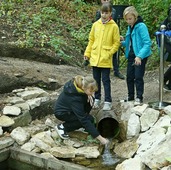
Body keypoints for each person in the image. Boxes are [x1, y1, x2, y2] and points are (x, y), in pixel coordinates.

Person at [84, 2, 120, 111]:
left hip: (105, 59)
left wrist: (109, 53)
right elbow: (91, 40)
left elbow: (116, 43)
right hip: (95, 58)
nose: (104, 15)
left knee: (106, 80)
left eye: (106, 13)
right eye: (102, 12)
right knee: (96, 80)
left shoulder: (114, 26)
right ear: (100, 12)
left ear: (110, 13)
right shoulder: (95, 25)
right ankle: (97, 99)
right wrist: (87, 54)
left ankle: (108, 101)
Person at [54, 75, 109, 145]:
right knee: (84, 121)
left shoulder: (80, 89)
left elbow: (85, 112)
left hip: (71, 110)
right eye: (91, 91)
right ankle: (62, 127)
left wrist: (90, 102)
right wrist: (101, 139)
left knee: (91, 119)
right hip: (62, 113)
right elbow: (83, 119)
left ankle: (79, 126)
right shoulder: (75, 98)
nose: (92, 93)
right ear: (84, 87)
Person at [121, 6, 152, 105]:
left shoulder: (141, 26)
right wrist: (122, 42)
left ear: (135, 16)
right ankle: (130, 96)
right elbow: (130, 43)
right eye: (126, 19)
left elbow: (147, 43)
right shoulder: (130, 27)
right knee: (129, 76)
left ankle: (139, 97)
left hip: (140, 55)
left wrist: (139, 56)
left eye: (130, 19)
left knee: (138, 76)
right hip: (131, 55)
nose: (128, 21)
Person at [95, 0, 125, 80]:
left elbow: (114, 25)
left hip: (111, 35)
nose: (106, 1)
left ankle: (116, 71)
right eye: (104, 0)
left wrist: (118, 35)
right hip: (102, 37)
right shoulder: (99, 11)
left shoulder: (113, 11)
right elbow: (96, 25)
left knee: (114, 54)